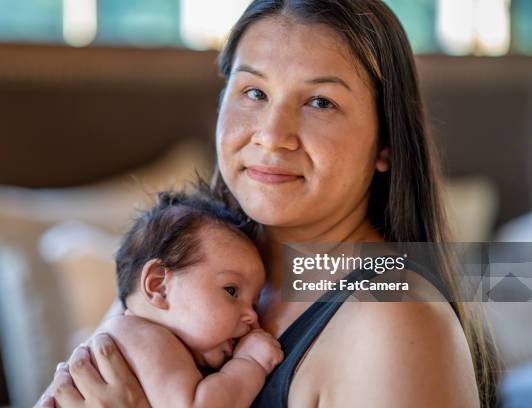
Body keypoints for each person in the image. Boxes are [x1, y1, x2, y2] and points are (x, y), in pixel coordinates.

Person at [38, 0, 497, 407]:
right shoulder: (177, 262)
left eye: (320, 102)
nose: (273, 136)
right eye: (254, 92)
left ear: (386, 144)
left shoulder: (396, 323)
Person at [109, 189, 283, 408]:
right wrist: (250, 362)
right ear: (159, 286)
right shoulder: (145, 340)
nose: (252, 316)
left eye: (255, 303)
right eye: (231, 291)